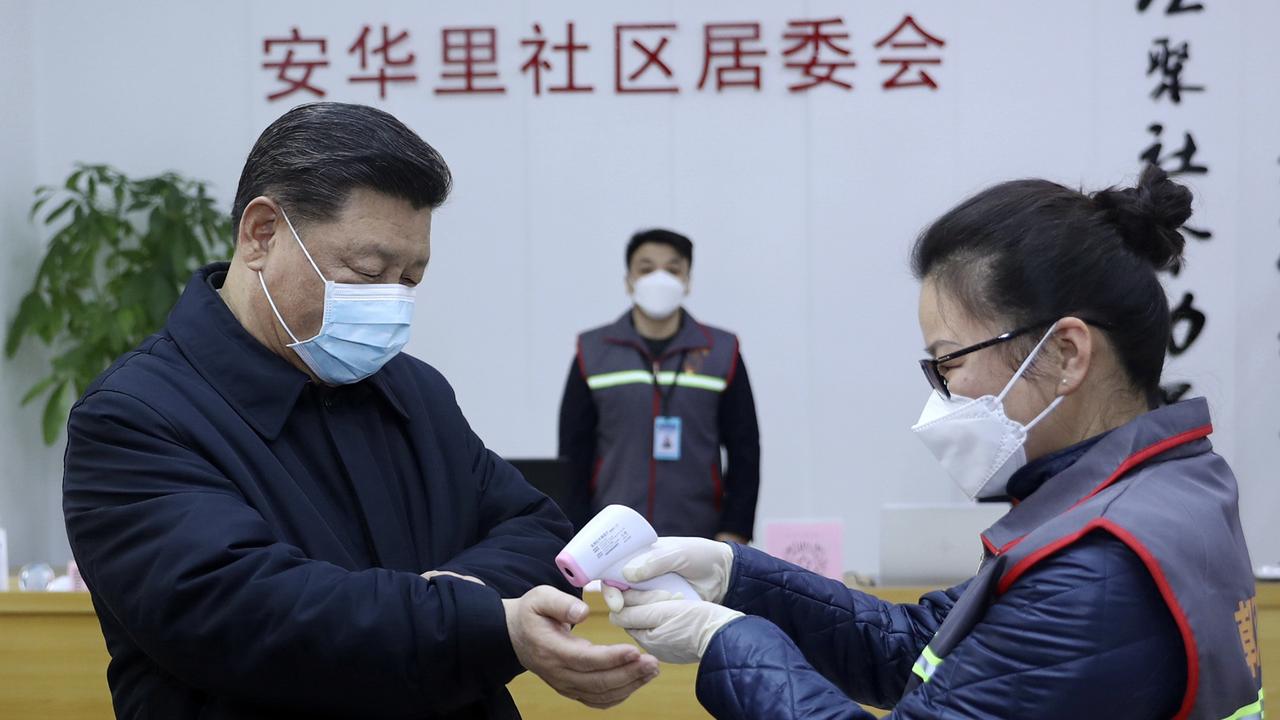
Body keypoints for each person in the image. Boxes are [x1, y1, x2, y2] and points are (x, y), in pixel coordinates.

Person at [62, 102, 658, 720]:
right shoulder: (135, 417)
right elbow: (252, 615)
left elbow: (536, 531)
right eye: (368, 272)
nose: (391, 302)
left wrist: (460, 604)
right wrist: (476, 619)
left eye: (410, 280)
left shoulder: (412, 391)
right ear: (261, 233)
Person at [605, 166, 1263, 719]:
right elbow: (930, 645)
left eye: (948, 360)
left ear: (1065, 353)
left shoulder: (1095, 568)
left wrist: (730, 642)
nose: (943, 391)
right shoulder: (1163, 490)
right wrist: (736, 580)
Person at [558, 229, 761, 543]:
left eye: (673, 269)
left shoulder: (722, 351)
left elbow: (745, 450)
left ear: (687, 281)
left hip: (700, 538)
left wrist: (734, 531)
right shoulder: (593, 351)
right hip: (611, 537)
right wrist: (577, 532)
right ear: (629, 280)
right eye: (646, 268)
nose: (659, 278)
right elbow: (573, 455)